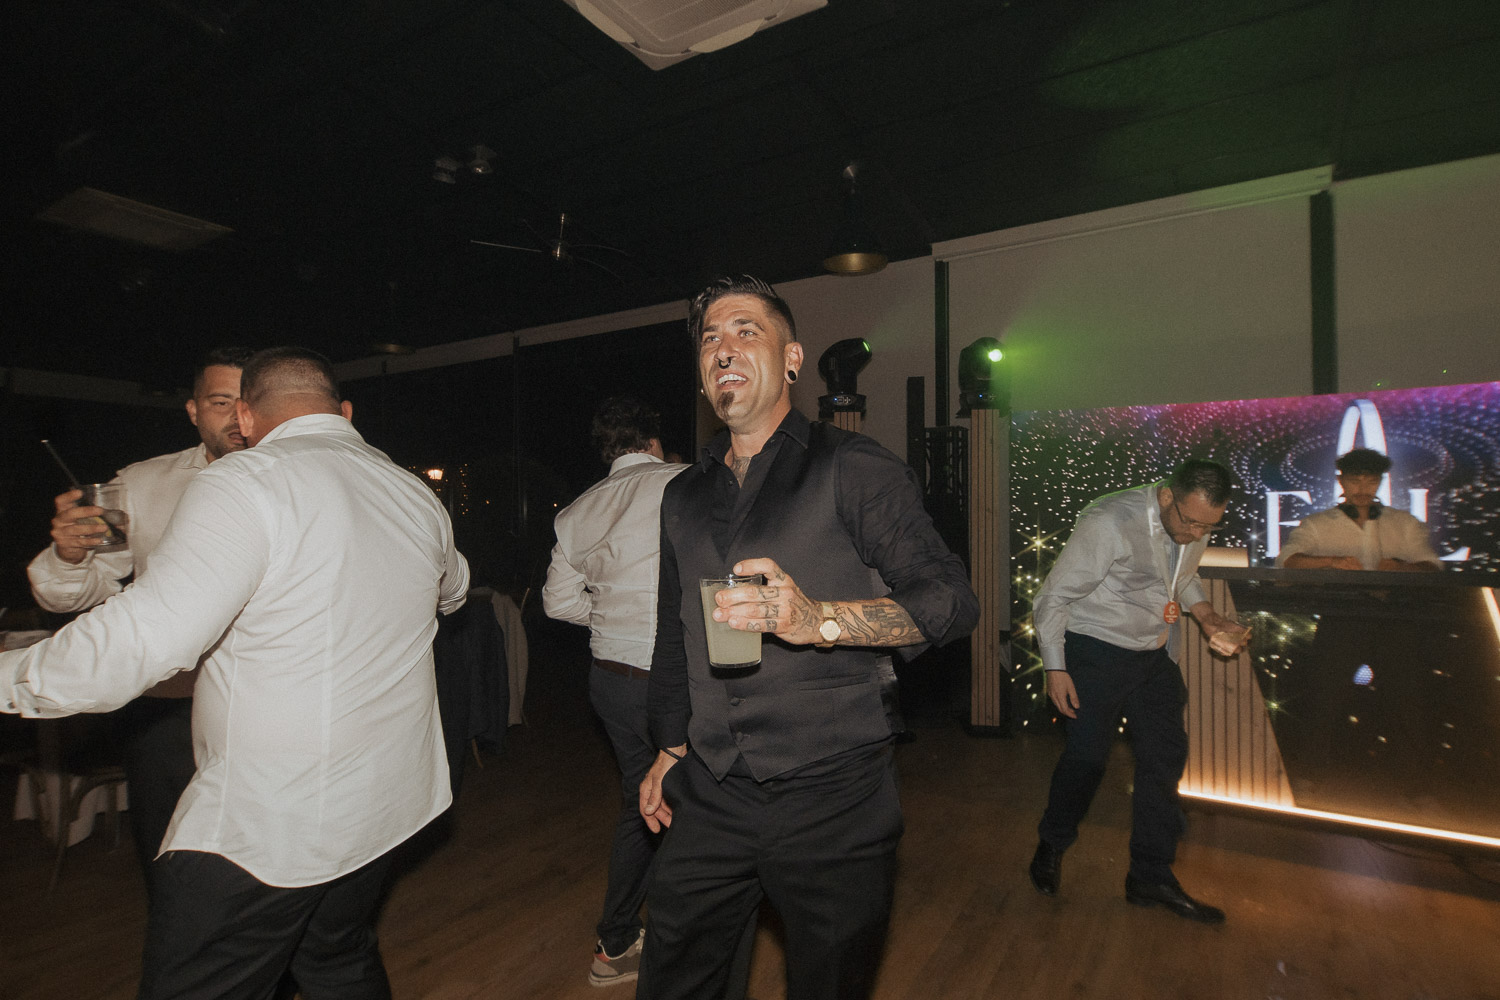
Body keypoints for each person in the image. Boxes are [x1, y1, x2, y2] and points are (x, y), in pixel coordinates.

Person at [2, 346, 470, 1000]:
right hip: (387, 797)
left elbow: (146, 635)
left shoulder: (244, 481)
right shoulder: (410, 489)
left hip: (274, 816)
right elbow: (454, 589)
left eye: (234, 404)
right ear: (343, 413)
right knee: (335, 956)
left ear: (248, 417)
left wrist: (11, 678)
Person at [636, 275, 979, 1000]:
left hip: (835, 796)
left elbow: (950, 600)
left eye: (745, 332)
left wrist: (815, 620)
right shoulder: (681, 494)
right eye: (709, 339)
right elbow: (675, 631)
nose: (722, 349)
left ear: (792, 359)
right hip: (714, 791)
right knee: (674, 976)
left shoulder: (851, 466)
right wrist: (669, 748)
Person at [27, 346, 252, 884]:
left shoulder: (303, 481)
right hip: (172, 708)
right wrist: (69, 556)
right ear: (194, 410)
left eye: (248, 401)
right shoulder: (143, 483)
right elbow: (76, 593)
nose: (236, 417)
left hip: (270, 707)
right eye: (220, 401)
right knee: (170, 859)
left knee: (263, 864)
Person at [1027, 459, 1246, 925]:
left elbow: (1180, 575)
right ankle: (1053, 841)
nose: (1196, 534)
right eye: (1190, 522)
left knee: (1164, 758)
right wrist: (1055, 668)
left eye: (1208, 527)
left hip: (1152, 653)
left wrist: (1208, 617)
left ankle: (1150, 875)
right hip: (1095, 648)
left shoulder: (1192, 519)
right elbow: (1053, 597)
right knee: (1087, 760)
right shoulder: (1109, 522)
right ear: (1167, 496)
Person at [542, 396, 689, 987]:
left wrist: (609, 615)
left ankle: (617, 942)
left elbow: (558, 603)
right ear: (653, 439)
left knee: (641, 804)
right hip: (674, 679)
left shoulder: (577, 511)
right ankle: (689, 945)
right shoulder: (684, 483)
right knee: (700, 807)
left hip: (611, 680)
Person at [1276, 448, 1441, 571]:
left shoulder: (1407, 523)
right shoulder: (1315, 524)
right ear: (1341, 481)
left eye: (1371, 482)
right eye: (1355, 481)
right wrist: (1331, 561)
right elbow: (1286, 560)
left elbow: (1433, 566)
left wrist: (1402, 567)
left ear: (1380, 481)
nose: (1363, 489)